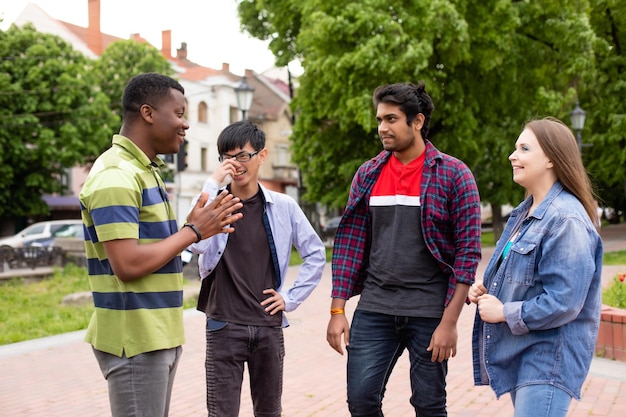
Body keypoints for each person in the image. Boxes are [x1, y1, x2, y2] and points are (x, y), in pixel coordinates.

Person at [80, 72, 243, 417]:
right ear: (148, 113)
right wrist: (194, 231)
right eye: (180, 113)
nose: (185, 125)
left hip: (157, 335)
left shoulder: (146, 171)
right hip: (135, 339)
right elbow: (127, 265)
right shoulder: (116, 176)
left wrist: (196, 227)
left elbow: (162, 247)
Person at [326, 82, 482, 416]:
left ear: (418, 121)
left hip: (429, 311)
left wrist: (450, 322)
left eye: (391, 119)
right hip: (376, 307)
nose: (382, 127)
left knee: (428, 405)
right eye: (380, 119)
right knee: (361, 401)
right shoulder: (368, 174)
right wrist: (337, 311)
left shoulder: (455, 175)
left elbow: (468, 254)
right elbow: (351, 244)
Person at [188, 120, 326, 417]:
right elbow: (194, 244)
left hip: (268, 327)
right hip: (223, 325)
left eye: (242, 156)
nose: (235, 164)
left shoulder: (283, 206)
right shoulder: (215, 204)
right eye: (227, 157)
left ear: (261, 156)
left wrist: (289, 298)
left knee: (269, 412)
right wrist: (212, 185)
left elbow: (315, 253)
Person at [469, 117, 603, 417]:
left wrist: (504, 312)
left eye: (524, 148)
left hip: (549, 357)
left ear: (551, 160)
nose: (512, 156)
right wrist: (488, 291)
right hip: (526, 351)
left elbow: (564, 301)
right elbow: (528, 279)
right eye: (516, 148)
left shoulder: (566, 219)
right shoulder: (524, 213)